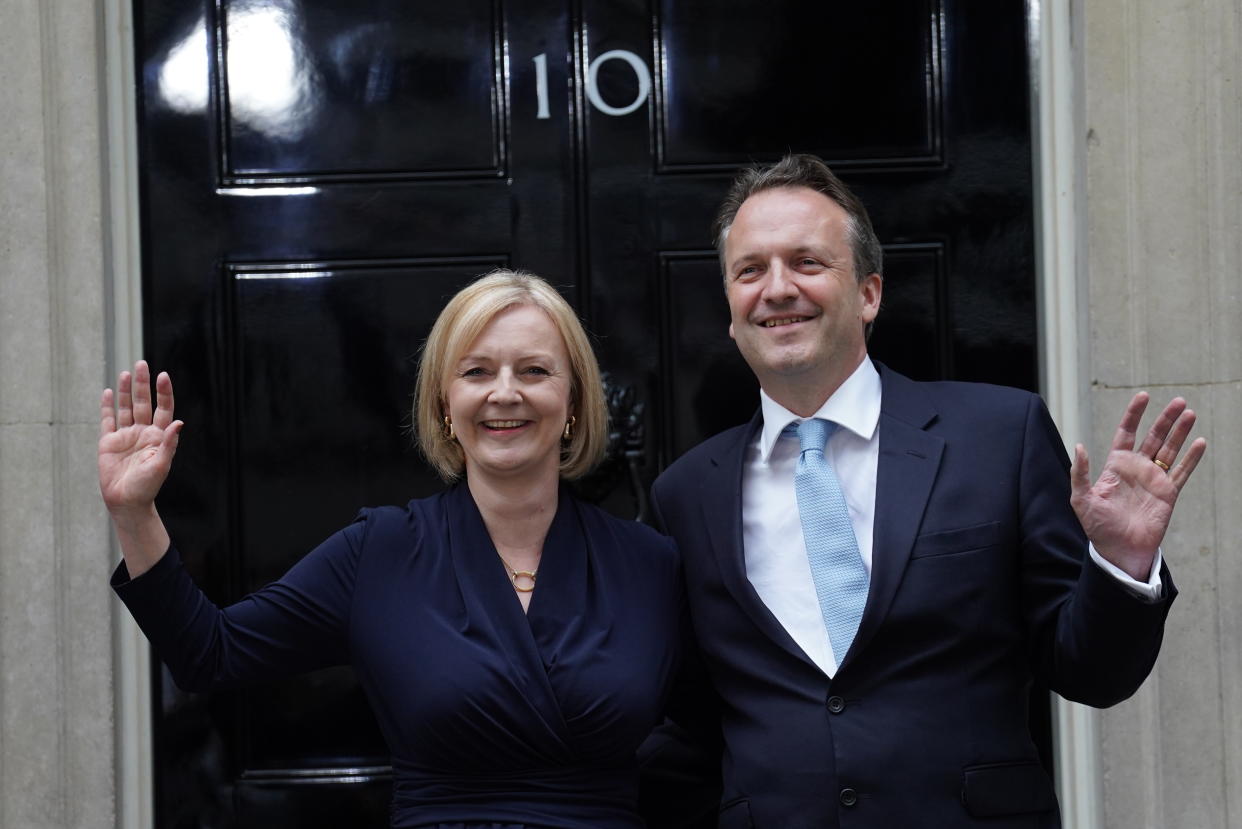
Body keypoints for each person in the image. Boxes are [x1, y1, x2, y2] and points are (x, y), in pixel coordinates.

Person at [646, 155, 1207, 827]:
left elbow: (1092, 672)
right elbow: (690, 721)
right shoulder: (685, 495)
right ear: (731, 314)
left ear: (870, 293)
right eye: (750, 270)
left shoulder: (999, 436)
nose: (777, 288)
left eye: (807, 262)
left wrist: (1120, 565)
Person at [102, 270, 686, 828]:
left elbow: (715, 730)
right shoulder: (378, 552)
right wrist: (135, 512)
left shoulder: (650, 564)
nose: (505, 393)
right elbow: (209, 653)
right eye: (477, 372)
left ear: (575, 402)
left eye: (534, 370)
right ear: (444, 405)